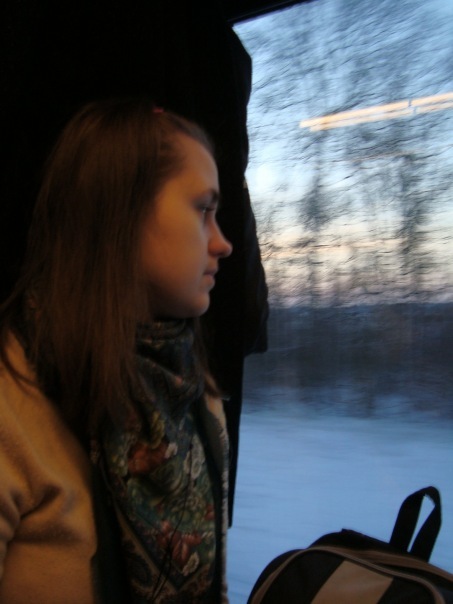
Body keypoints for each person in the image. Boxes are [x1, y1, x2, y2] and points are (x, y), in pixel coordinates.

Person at [0, 98, 233, 603]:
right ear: (123, 212)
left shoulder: (195, 393)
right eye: (203, 210)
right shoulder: (12, 405)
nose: (223, 243)